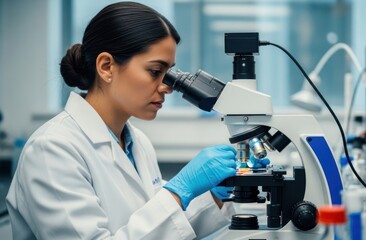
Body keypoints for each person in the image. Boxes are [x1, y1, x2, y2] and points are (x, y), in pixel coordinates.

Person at [5, 2, 268, 239]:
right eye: (156, 71)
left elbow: (164, 227)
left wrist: (213, 194)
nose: (168, 86)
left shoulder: (137, 143)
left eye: (169, 73)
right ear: (106, 67)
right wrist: (178, 191)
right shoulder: (52, 149)